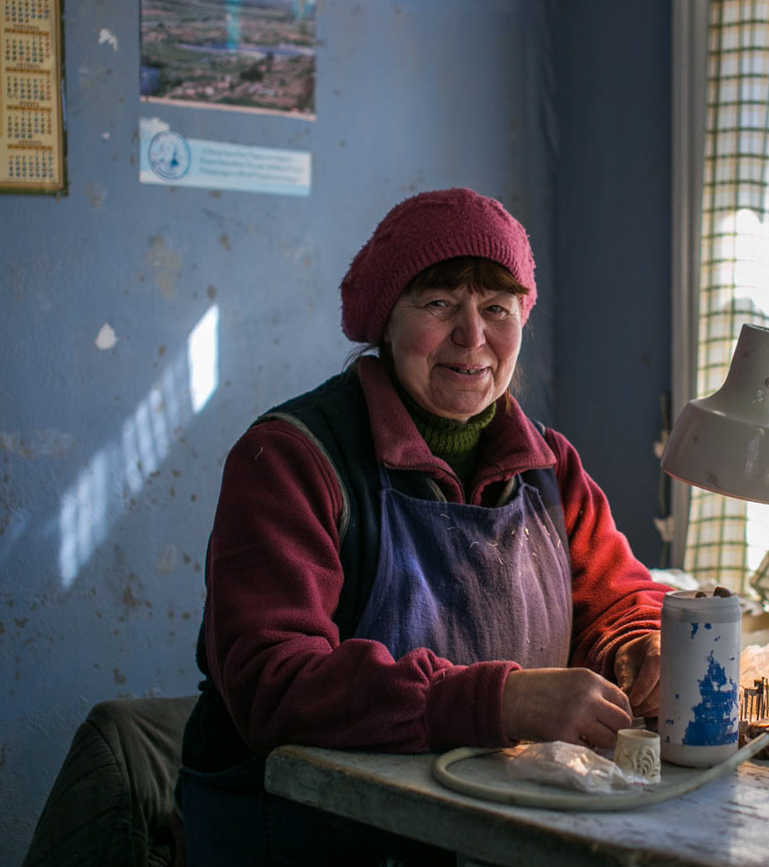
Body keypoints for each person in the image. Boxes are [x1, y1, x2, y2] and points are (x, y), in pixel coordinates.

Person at [176, 187, 670, 866]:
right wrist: (497, 701)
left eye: (497, 308)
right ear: (386, 319)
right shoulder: (291, 458)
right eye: (439, 304)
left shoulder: (549, 464)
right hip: (306, 838)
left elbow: (620, 598)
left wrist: (637, 647)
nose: (473, 338)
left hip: (483, 822)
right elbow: (274, 681)